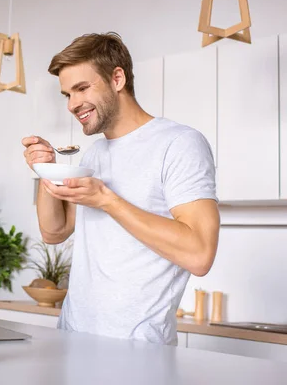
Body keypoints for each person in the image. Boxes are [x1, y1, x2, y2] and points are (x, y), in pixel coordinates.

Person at [21, 32, 220, 345]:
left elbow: (199, 254)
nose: (72, 105)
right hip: (73, 337)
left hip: (137, 349)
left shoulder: (180, 144)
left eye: (82, 88)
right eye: (66, 95)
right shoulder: (94, 154)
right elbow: (54, 232)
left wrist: (106, 199)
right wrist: (45, 170)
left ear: (117, 78)